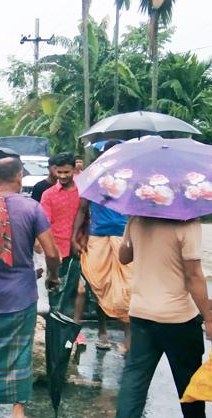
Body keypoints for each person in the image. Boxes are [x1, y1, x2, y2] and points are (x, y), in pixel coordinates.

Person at [109, 216, 212, 418]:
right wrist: (209, 319)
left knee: (135, 373)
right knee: (188, 378)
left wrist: (131, 230)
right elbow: (194, 275)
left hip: (141, 312)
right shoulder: (187, 224)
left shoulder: (137, 219)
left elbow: (124, 257)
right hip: (178, 316)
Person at [0, 157, 61, 418]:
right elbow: (52, 252)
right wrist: (54, 276)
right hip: (21, 293)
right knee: (20, 353)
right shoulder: (32, 208)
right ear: (20, 177)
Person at [71, 140, 132, 352]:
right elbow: (82, 209)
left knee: (127, 287)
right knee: (99, 285)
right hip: (98, 237)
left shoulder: (131, 176)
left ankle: (128, 339)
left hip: (124, 236)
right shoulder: (93, 176)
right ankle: (102, 333)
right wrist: (74, 236)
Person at [40, 153, 88, 343]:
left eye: (66, 172)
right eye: (58, 172)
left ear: (74, 170)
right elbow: (44, 225)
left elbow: (87, 216)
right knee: (55, 291)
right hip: (56, 252)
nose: (62, 176)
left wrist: (82, 238)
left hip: (79, 248)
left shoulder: (84, 191)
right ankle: (55, 334)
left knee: (75, 292)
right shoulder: (48, 194)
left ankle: (69, 334)